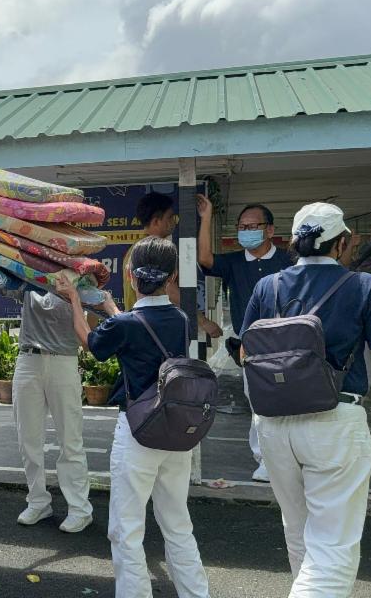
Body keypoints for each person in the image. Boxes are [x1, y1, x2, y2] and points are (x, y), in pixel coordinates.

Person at [242, 202, 371, 596]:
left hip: (273, 425)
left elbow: (246, 352)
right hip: (334, 421)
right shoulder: (362, 286)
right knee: (334, 545)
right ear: (342, 243)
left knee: (299, 530)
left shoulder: (266, 287)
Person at [71, 237, 210, 598]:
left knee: (126, 528)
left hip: (137, 432)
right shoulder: (181, 319)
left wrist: (74, 299)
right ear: (172, 277)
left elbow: (92, 343)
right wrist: (111, 307)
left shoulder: (128, 324)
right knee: (178, 524)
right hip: (176, 432)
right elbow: (138, 326)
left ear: (130, 275)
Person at [198, 199, 293, 482]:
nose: (247, 231)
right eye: (242, 227)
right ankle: (264, 460)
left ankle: (292, 457)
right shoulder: (235, 263)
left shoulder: (288, 260)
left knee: (293, 402)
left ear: (269, 230)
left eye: (253, 226)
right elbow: (205, 259)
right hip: (250, 345)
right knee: (259, 403)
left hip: (287, 342)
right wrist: (207, 217)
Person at [12, 288, 94, 533]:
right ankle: (38, 501)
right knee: (28, 439)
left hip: (64, 359)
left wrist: (78, 297)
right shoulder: (27, 275)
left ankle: (80, 508)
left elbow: (90, 328)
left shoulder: (81, 278)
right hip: (28, 359)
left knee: (70, 439)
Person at [123, 192, 222, 336]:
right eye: (170, 217)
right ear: (156, 221)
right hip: (153, 330)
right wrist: (203, 321)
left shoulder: (135, 249)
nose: (174, 222)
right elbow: (170, 290)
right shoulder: (152, 250)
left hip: (143, 328)